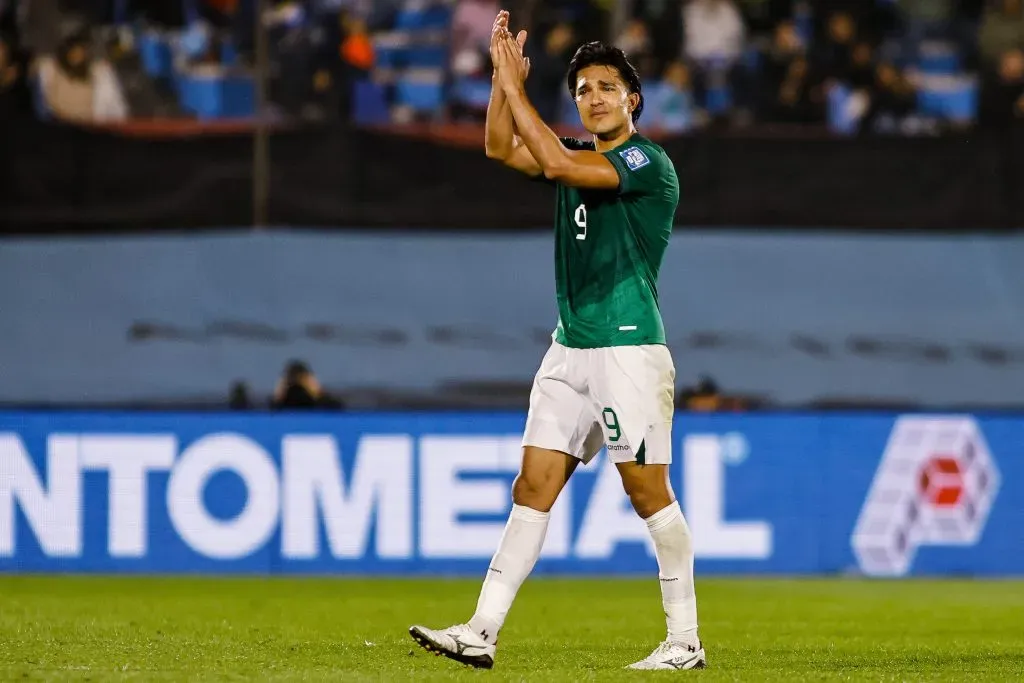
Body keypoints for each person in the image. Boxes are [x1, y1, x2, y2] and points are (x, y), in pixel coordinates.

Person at [407, 10, 704, 672]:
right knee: (532, 483)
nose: (592, 97)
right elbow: (498, 147)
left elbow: (545, 156)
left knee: (648, 492)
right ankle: (482, 628)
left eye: (605, 87)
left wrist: (516, 88)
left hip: (627, 347)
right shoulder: (571, 152)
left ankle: (684, 639)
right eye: (581, 90)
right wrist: (499, 80)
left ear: (632, 99)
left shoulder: (645, 161)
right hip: (569, 346)